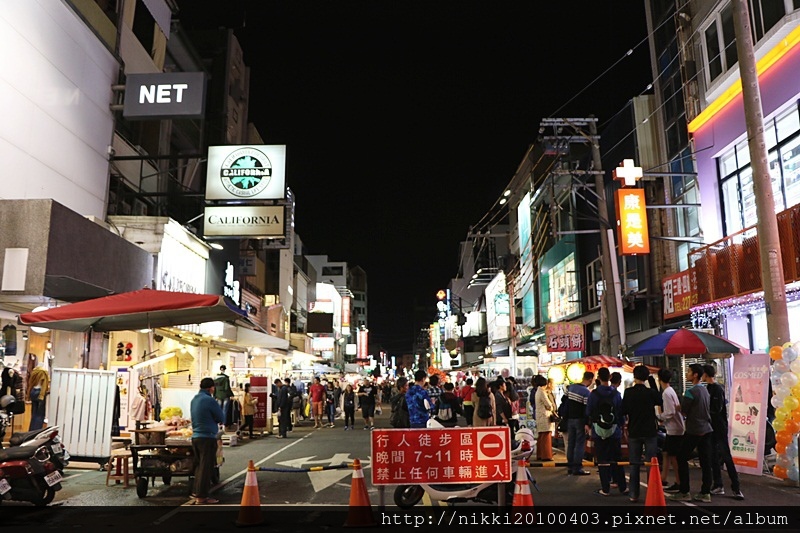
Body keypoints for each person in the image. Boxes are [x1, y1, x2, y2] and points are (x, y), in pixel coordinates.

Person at [670, 363, 714, 502]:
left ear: (695, 375)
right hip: (707, 429)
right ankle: (706, 492)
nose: (687, 374)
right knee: (705, 461)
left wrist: (678, 407)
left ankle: (684, 491)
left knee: (681, 457)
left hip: (694, 429)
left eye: (689, 372)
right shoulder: (705, 390)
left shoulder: (690, 392)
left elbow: (684, 410)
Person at [621, 365, 662, 503]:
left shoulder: (628, 392)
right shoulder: (650, 392)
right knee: (651, 463)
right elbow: (659, 399)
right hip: (650, 431)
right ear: (646, 377)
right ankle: (653, 492)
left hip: (634, 430)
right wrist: (651, 381)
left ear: (634, 376)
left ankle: (634, 494)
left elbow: (623, 410)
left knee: (634, 463)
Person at [703, 364, 744, 500]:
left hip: (719, 427)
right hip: (711, 427)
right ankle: (718, 484)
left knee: (726, 456)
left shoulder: (717, 388)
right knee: (713, 456)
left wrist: (706, 413)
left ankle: (736, 488)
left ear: (705, 374)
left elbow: (717, 408)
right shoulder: (707, 388)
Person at [587, 367, 627, 497]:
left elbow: (589, 412)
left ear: (598, 378)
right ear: (610, 378)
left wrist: (590, 425)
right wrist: (621, 427)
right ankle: (622, 486)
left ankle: (605, 488)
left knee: (603, 460)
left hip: (598, 431)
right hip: (614, 431)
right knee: (617, 459)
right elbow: (621, 413)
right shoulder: (616, 394)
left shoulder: (593, 394)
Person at [190, 377, 224, 504]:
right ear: (211, 388)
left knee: (199, 466)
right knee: (206, 468)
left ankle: (196, 491)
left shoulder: (194, 399)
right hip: (207, 437)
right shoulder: (210, 400)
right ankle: (202, 496)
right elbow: (221, 417)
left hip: (195, 437)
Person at [657, 368, 684, 493]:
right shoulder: (670, 390)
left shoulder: (666, 393)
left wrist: (660, 416)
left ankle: (679, 482)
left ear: (659, 379)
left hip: (674, 429)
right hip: (674, 428)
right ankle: (663, 478)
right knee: (666, 453)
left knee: (673, 455)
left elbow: (670, 412)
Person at [566, 371, 594, 476]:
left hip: (570, 419)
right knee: (579, 444)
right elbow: (586, 409)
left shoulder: (571, 388)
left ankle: (570, 466)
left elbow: (565, 403)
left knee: (571, 443)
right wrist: (587, 423)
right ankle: (577, 468)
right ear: (590, 379)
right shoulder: (586, 392)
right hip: (580, 420)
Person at [534, 375, 555, 461]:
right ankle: (546, 455)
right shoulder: (542, 392)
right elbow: (548, 405)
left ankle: (540, 454)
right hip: (545, 416)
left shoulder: (538, 391)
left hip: (540, 416)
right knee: (546, 436)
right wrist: (552, 407)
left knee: (541, 437)